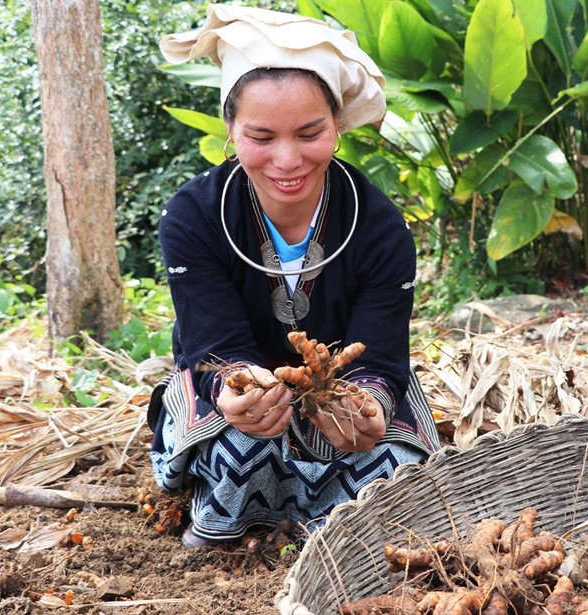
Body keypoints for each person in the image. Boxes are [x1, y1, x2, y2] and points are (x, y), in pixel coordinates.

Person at [148, 5, 440, 546]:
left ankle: (336, 529)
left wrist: (369, 402)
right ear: (231, 130)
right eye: (261, 137)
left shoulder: (380, 226)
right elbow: (211, 344)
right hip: (241, 399)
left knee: (392, 464)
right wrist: (235, 389)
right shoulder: (193, 217)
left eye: (310, 133)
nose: (287, 160)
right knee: (240, 447)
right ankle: (238, 517)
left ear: (337, 125)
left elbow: (378, 353)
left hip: (345, 390)